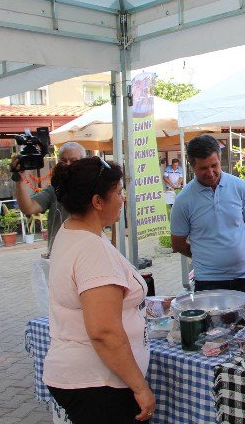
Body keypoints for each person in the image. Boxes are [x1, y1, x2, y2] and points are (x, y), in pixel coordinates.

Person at [43, 157, 155, 423]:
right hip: (99, 384)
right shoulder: (92, 251)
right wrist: (139, 386)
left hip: (85, 379)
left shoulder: (72, 231)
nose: (123, 199)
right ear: (97, 202)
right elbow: (104, 332)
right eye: (118, 193)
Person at [170, 135, 245, 313]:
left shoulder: (239, 187)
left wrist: (234, 245)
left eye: (214, 166)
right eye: (203, 168)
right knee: (213, 337)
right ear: (192, 166)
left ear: (220, 160)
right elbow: (178, 243)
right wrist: (204, 255)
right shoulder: (184, 200)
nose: (210, 172)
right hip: (208, 281)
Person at [12, 141, 86, 252]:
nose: (68, 164)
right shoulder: (54, 189)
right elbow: (28, 208)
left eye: (73, 160)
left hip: (87, 252)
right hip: (59, 254)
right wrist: (20, 180)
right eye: (63, 160)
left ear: (84, 162)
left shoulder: (93, 187)